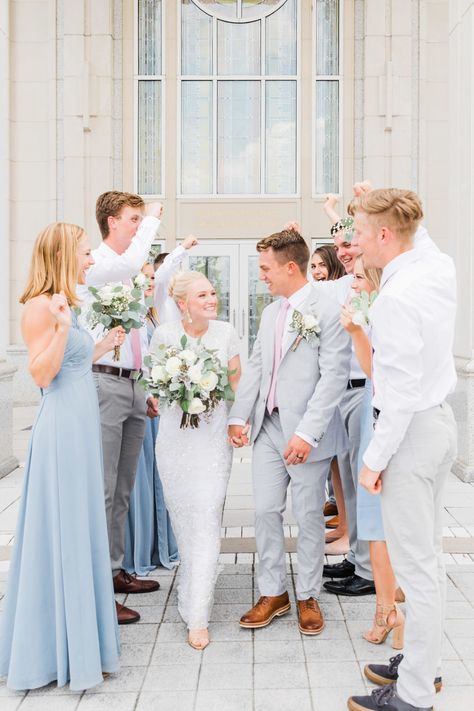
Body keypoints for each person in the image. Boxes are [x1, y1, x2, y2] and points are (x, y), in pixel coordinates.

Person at [347, 189, 457, 711]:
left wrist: (373, 461)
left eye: (362, 233)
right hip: (439, 428)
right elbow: (423, 235)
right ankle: (422, 666)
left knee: (416, 571)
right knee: (427, 561)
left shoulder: (393, 298)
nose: (356, 243)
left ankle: (414, 695)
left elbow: (401, 392)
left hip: (409, 436)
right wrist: (380, 200)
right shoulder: (437, 268)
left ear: (386, 236)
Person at [0, 223, 123, 690]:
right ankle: (57, 651)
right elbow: (42, 374)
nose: (91, 260)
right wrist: (65, 327)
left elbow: (71, 360)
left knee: (82, 523)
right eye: (86, 253)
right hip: (61, 425)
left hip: (81, 419)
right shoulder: (39, 307)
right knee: (65, 527)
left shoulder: (64, 300)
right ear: (63, 255)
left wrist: (100, 346)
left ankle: (85, 645)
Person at [228, 229, 351, 636]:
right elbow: (258, 367)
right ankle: (273, 592)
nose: (261, 275)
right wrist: (238, 416)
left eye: (266, 268)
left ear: (290, 267)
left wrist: (308, 434)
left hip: (306, 433)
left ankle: (308, 595)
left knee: (309, 516)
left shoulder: (328, 310)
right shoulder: (270, 313)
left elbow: (333, 378)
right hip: (268, 427)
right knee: (264, 511)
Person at [79, 191, 164, 625]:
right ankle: (96, 584)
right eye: (133, 219)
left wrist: (146, 384)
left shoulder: (126, 271)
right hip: (103, 383)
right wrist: (152, 223)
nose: (139, 226)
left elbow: (139, 336)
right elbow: (131, 263)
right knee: (104, 487)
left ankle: (114, 571)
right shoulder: (97, 264)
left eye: (140, 221)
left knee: (124, 488)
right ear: (112, 222)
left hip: (132, 385)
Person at [150, 271, 241, 650]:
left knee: (206, 517)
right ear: (183, 302)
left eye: (213, 292)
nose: (211, 298)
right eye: (202, 294)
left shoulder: (226, 332)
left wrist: (232, 418)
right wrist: (170, 391)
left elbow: (236, 380)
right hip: (174, 441)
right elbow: (154, 384)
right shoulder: (165, 335)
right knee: (184, 521)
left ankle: (198, 615)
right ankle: (192, 583)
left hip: (212, 439)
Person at [340, 256, 404, 649]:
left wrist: (356, 332)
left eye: (360, 277)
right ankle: (387, 601)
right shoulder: (377, 310)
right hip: (373, 403)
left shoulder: (386, 314)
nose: (355, 284)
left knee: (378, 517)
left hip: (383, 409)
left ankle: (387, 610)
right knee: (375, 516)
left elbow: (376, 371)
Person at [123, 262, 179, 574]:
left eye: (151, 277)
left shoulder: (149, 314)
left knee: (157, 476)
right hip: (137, 403)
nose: (149, 282)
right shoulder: (129, 317)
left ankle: (158, 548)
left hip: (152, 404)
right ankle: (137, 551)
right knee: (139, 480)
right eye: (141, 276)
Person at [310, 243, 348, 547]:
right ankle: (343, 524)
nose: (317, 272)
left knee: (344, 463)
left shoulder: (338, 291)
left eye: (322, 265)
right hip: (327, 387)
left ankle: (347, 527)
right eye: (312, 266)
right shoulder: (323, 296)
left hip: (346, 388)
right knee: (335, 464)